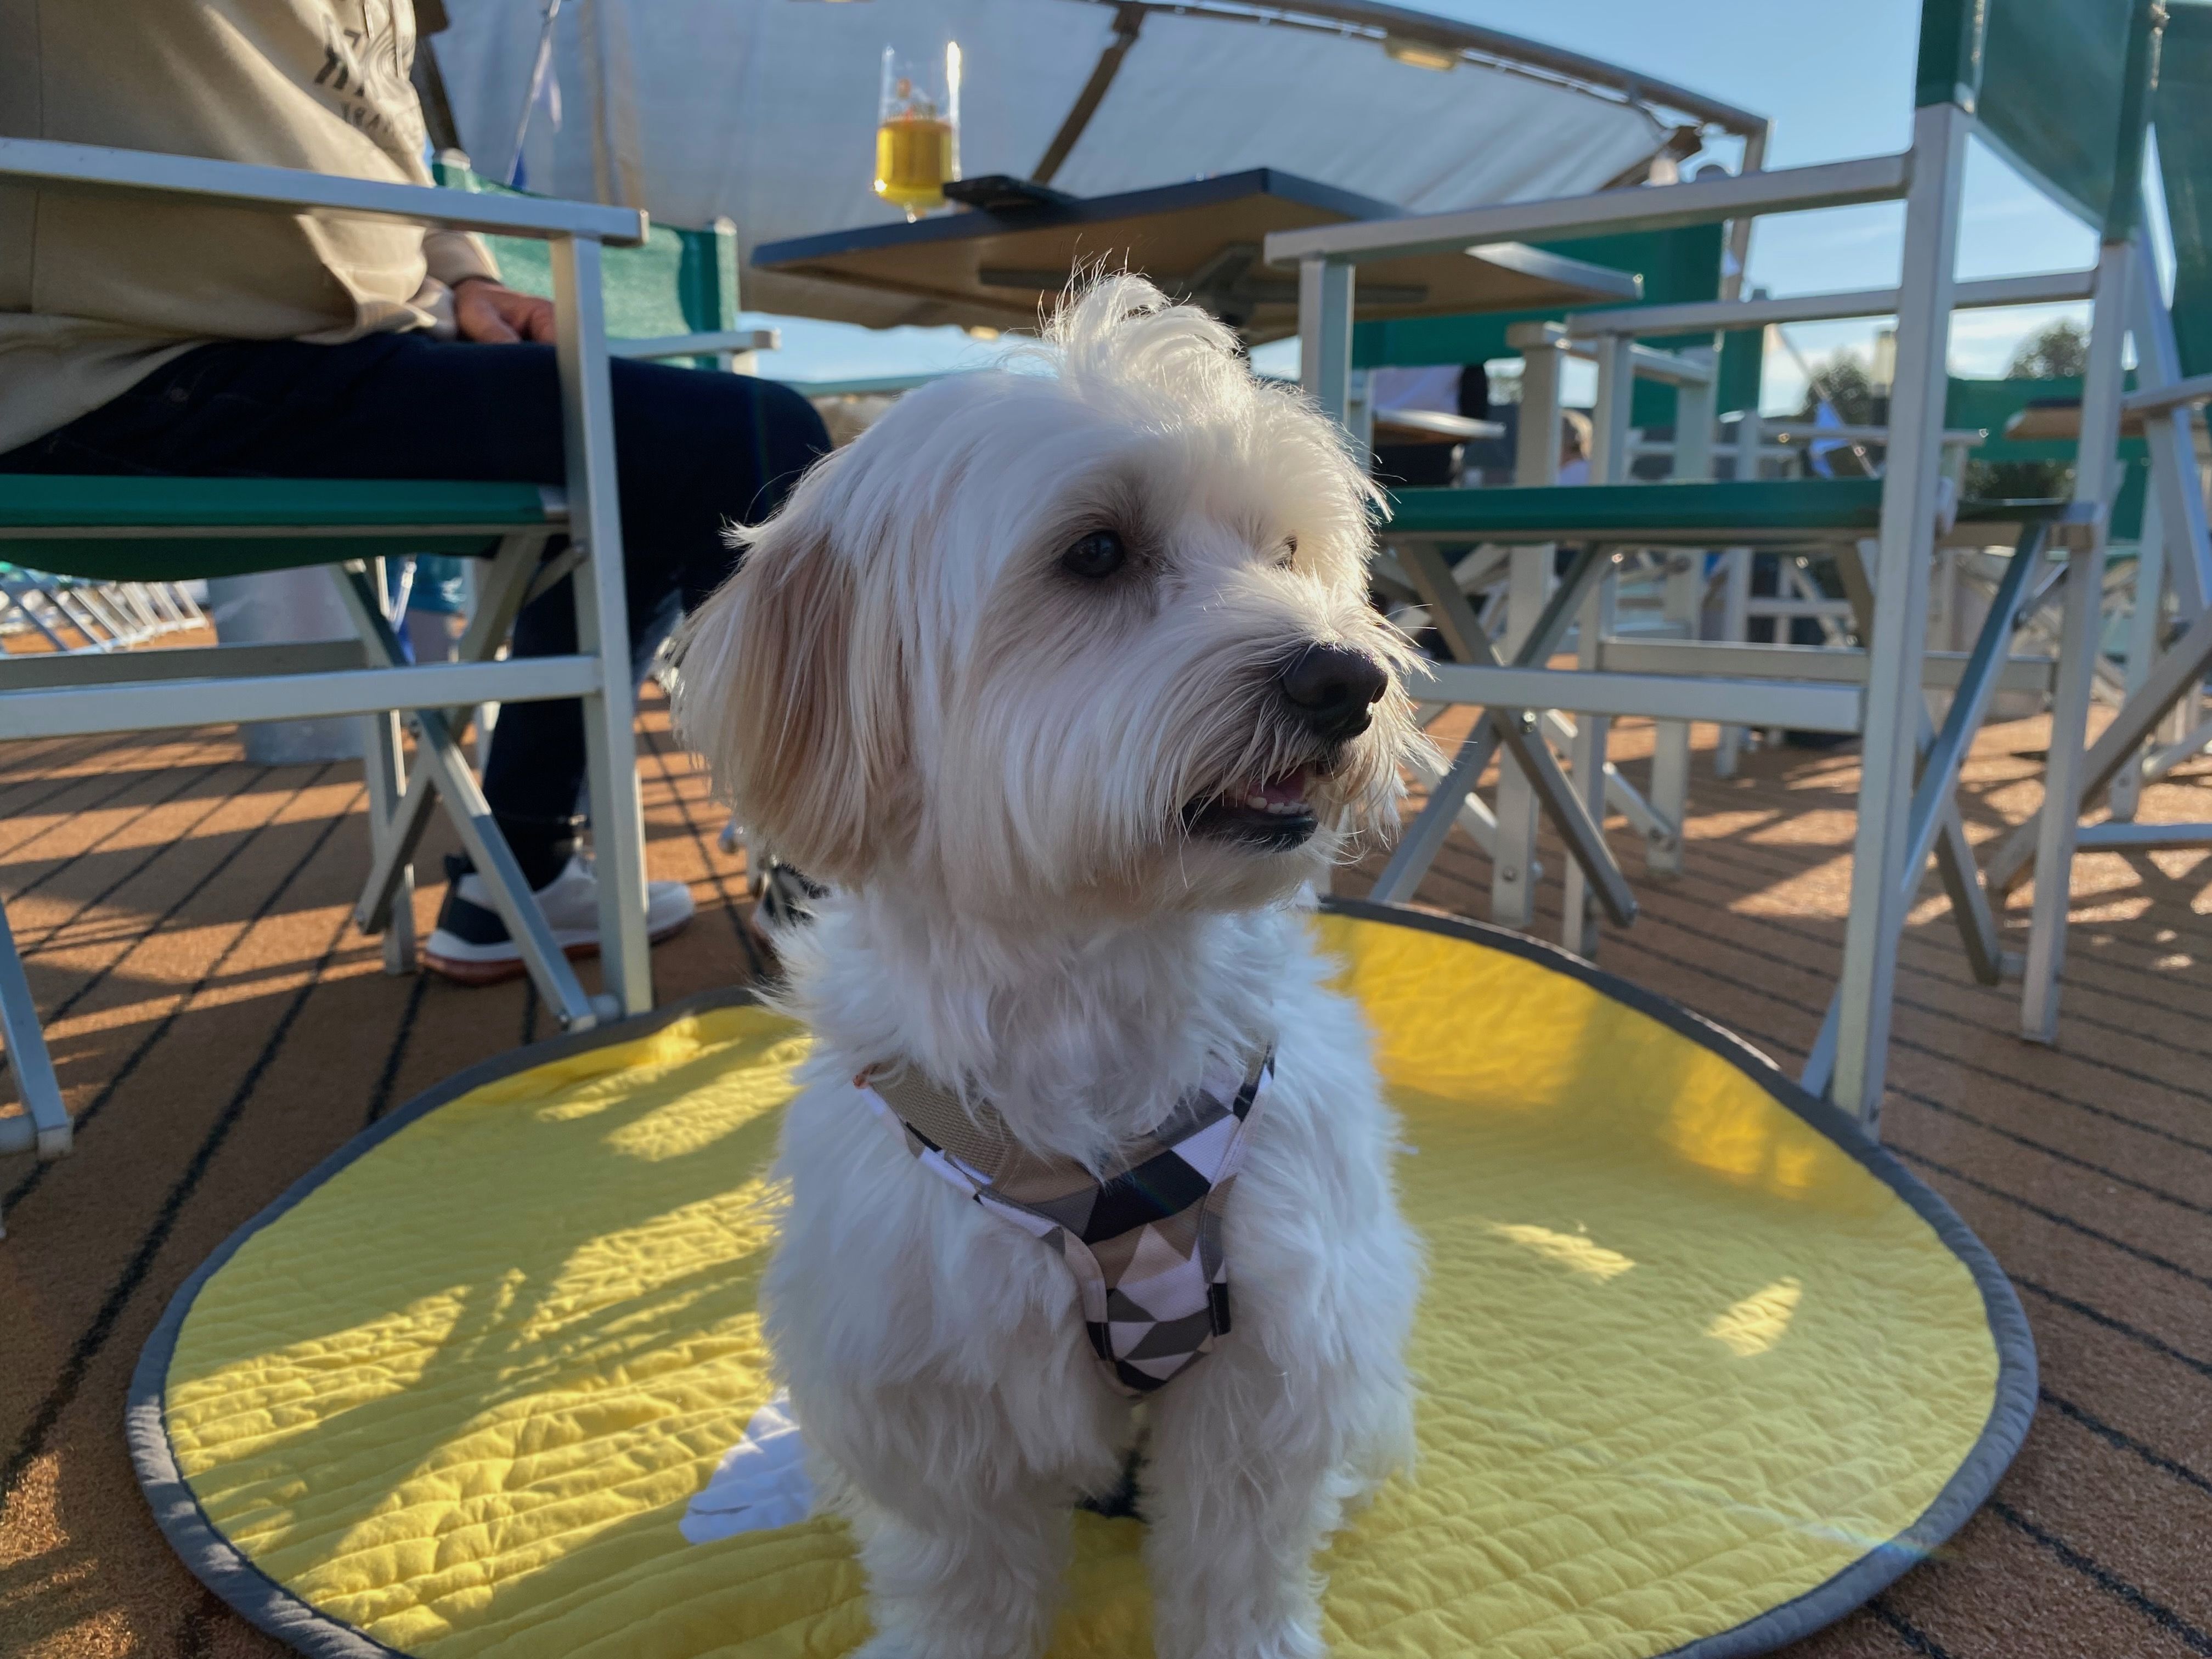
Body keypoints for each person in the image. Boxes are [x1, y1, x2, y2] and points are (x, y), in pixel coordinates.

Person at [0, 0, 831, 984]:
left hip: (345, 356)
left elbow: (389, 148)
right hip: (112, 369)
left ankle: (519, 873)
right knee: (744, 439)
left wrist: (465, 277)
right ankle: (840, 883)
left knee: (658, 463)